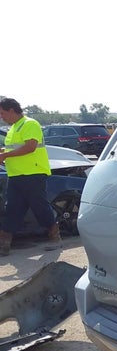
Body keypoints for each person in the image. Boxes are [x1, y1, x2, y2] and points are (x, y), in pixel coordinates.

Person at [0, 97, 61, 255]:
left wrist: (5, 155)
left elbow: (30, 147)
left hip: (33, 173)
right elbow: (14, 148)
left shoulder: (30, 124)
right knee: (12, 208)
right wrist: (3, 152)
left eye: (2, 113)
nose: (2, 117)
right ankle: (4, 244)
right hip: (16, 175)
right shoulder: (14, 128)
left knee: (39, 206)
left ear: (11, 110)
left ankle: (55, 237)